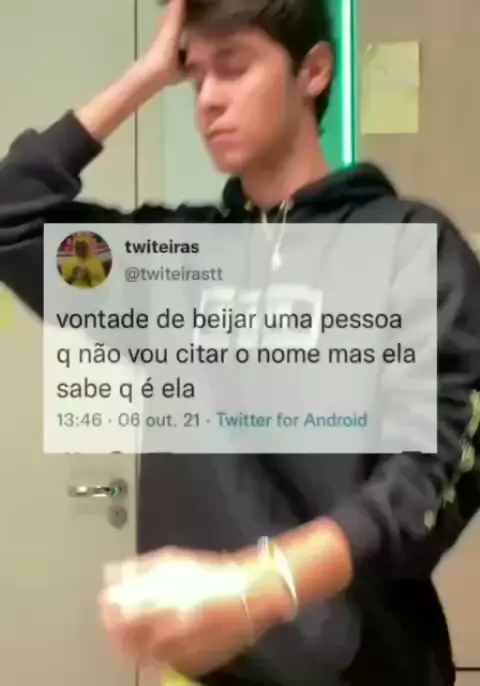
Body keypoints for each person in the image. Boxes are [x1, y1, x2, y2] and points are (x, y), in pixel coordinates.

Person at [1, 0, 480, 684]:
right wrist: (146, 75)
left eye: (233, 67)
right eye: (196, 76)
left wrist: (259, 587)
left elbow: (431, 474)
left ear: (314, 71)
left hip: (366, 670)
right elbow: (11, 221)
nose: (207, 100)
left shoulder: (410, 246)